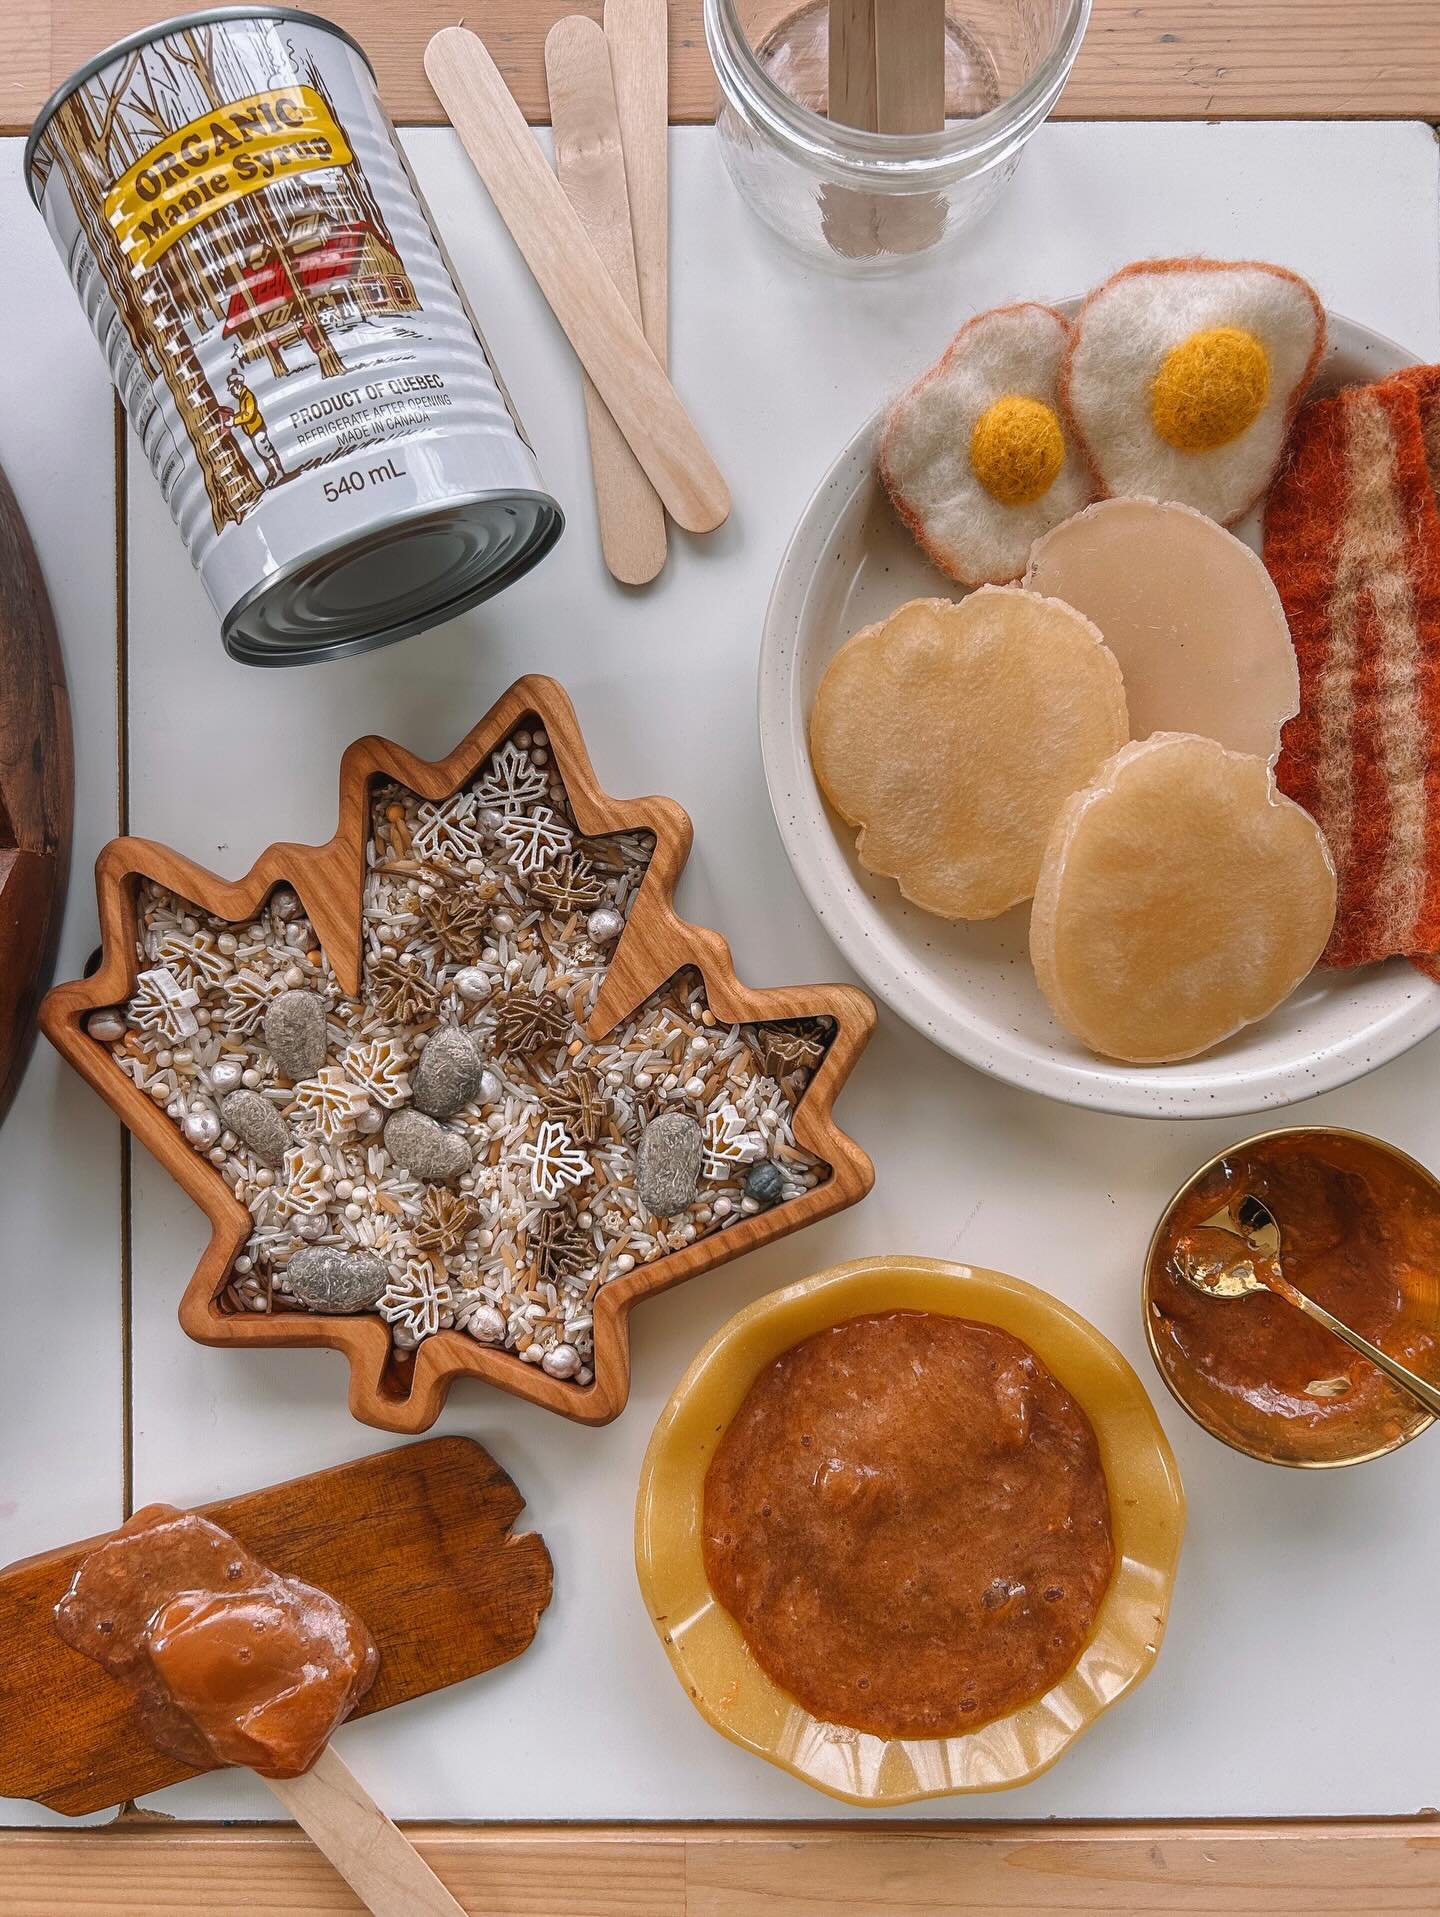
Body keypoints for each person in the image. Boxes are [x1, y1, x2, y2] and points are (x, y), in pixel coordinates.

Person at [221, 364, 284, 485]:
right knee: (262, 454)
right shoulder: (242, 397)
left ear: (238, 385)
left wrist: (234, 421)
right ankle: (272, 473)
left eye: (233, 389)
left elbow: (248, 414)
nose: (232, 392)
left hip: (257, 429)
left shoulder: (248, 396)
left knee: (267, 452)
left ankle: (279, 472)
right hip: (252, 431)